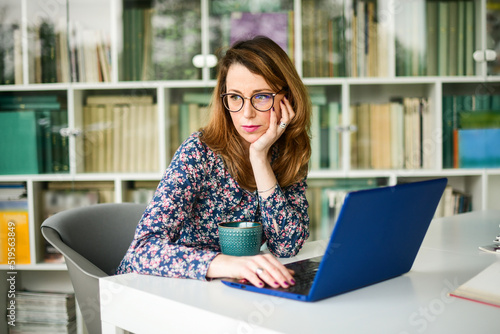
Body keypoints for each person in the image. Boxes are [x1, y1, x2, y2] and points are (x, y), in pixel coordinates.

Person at [116, 36, 311, 289]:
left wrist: (259, 159)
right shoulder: (198, 151)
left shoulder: (289, 151)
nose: (246, 113)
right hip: (166, 289)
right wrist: (226, 263)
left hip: (228, 290)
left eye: (261, 96)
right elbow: (141, 252)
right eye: (235, 97)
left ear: (287, 99)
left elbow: (287, 246)